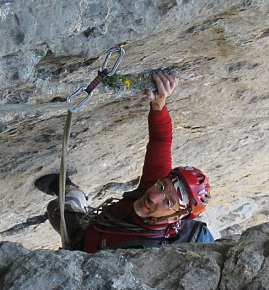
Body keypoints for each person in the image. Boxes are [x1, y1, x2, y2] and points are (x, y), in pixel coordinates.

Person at [34, 71, 213, 251]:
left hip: (89, 258)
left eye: (168, 202)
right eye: (161, 186)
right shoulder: (155, 187)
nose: (153, 196)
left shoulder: (147, 253)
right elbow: (160, 141)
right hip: (91, 231)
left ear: (175, 218)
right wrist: (159, 103)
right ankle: (73, 193)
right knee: (57, 209)